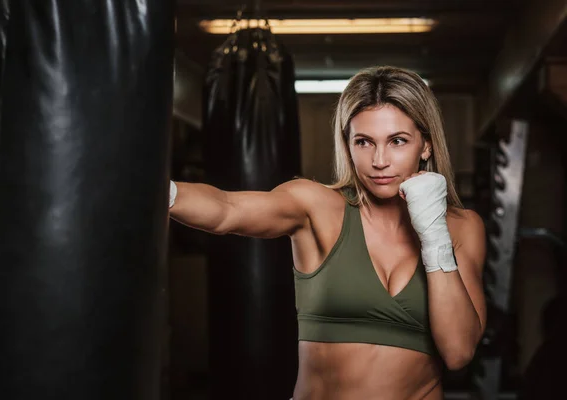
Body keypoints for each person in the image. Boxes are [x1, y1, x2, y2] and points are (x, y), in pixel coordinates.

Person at [169, 66, 486, 400]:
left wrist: (433, 232)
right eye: (363, 142)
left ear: (426, 146)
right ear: (347, 145)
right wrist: (154, 191)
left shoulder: (462, 227)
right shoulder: (316, 207)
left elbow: (458, 352)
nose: (379, 161)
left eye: (397, 141)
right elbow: (226, 210)